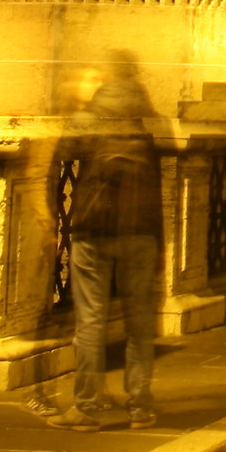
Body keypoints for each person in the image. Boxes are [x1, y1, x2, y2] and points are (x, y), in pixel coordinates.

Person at [52, 63, 163, 431]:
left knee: (91, 321)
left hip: (94, 231)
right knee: (139, 323)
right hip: (141, 232)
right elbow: (157, 183)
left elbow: (62, 151)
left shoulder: (90, 118)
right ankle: (140, 405)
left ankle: (86, 408)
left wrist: (78, 107)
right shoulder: (146, 124)